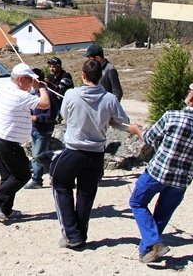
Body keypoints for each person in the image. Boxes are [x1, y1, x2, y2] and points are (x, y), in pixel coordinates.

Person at [127, 84, 193, 264]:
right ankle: (148, 250)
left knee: (137, 202)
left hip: (157, 173)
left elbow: (149, 138)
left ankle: (152, 243)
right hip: (182, 180)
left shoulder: (172, 116)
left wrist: (136, 130)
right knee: (162, 214)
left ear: (191, 98)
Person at [51, 59, 130, 250]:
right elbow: (124, 121)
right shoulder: (110, 99)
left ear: (83, 75)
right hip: (96, 154)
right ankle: (80, 234)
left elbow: (65, 116)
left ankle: (71, 233)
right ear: (101, 77)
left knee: (60, 184)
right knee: (86, 194)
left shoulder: (71, 94)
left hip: (74, 149)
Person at [0, 63, 49, 221]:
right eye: (29, 80)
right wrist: (42, 87)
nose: (31, 83)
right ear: (20, 79)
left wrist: (33, 84)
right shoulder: (19, 95)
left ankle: (5, 210)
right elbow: (45, 104)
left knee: (8, 176)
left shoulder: (8, 88)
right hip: (8, 143)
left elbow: (27, 94)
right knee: (22, 174)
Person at [25, 57, 73, 189]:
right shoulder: (35, 92)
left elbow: (51, 115)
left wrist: (36, 118)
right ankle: (41, 177)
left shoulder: (49, 92)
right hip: (35, 129)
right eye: (50, 66)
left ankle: (43, 177)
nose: (52, 68)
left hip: (44, 128)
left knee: (39, 156)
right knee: (37, 155)